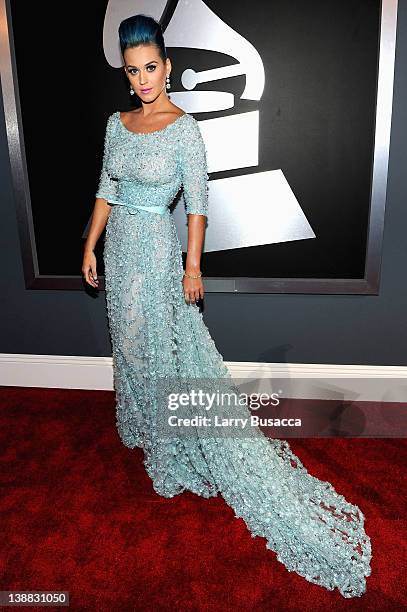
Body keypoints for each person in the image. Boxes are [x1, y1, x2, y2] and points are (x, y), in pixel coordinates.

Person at [82, 14, 372, 598]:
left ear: (167, 67)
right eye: (132, 70)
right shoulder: (117, 125)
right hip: (119, 252)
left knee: (162, 349)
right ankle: (142, 422)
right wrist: (89, 245)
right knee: (130, 343)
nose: (142, 79)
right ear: (127, 75)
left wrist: (193, 266)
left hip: (160, 252)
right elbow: (106, 189)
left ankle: (170, 448)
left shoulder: (186, 130)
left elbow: (196, 205)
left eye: (150, 67)